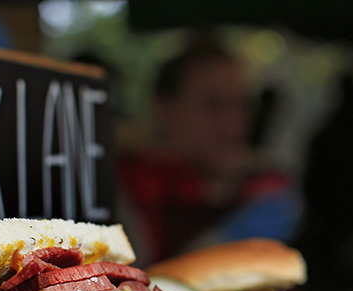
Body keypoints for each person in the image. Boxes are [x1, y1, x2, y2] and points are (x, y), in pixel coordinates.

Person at [116, 37, 301, 264]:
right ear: (165, 110)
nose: (233, 123)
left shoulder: (262, 186)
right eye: (212, 105)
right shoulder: (133, 190)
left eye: (241, 105)